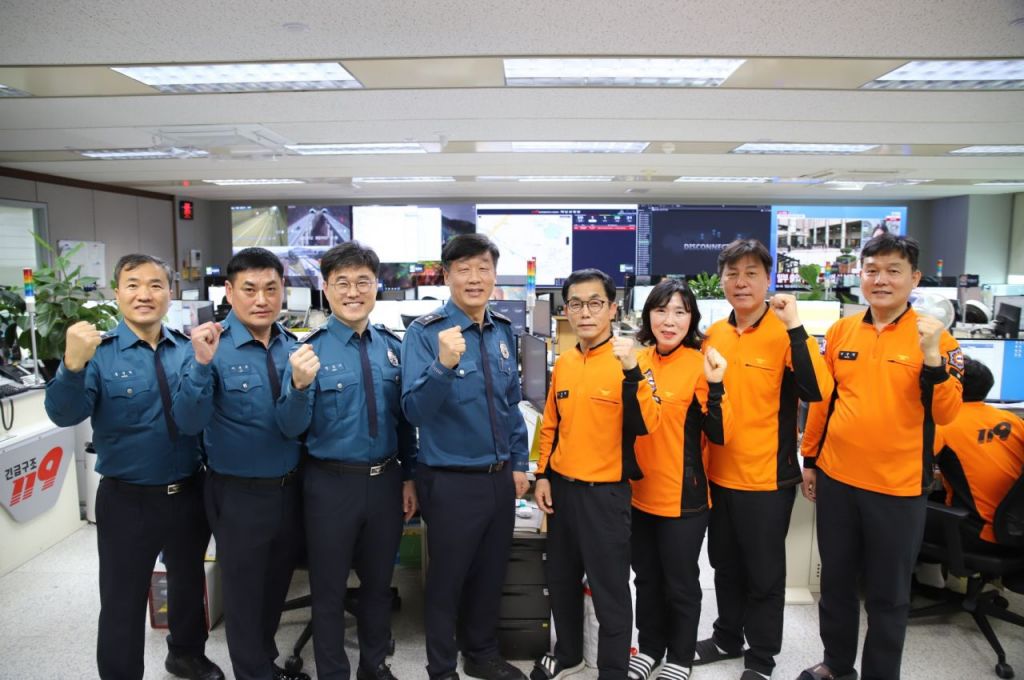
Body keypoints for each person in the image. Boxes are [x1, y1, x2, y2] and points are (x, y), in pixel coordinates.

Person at [44, 254, 224, 680]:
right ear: (117, 293)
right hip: (128, 499)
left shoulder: (189, 349)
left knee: (187, 583)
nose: (145, 294)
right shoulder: (98, 354)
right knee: (122, 598)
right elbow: (64, 414)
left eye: (155, 285)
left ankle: (186, 654)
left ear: (170, 293)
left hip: (188, 490)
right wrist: (72, 365)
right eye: (133, 284)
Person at [799, 234, 964, 680]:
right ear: (861, 276)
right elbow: (822, 402)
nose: (881, 279)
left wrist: (933, 359)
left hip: (897, 487)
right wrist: (810, 459)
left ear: (914, 278)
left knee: (887, 595)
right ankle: (836, 665)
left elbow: (948, 413)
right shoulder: (841, 331)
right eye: (872, 270)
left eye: (893, 271)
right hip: (837, 478)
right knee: (836, 583)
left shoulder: (937, 338)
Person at [277, 241, 418, 680]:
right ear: (326, 288)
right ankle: (333, 673)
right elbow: (289, 427)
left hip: (386, 482)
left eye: (362, 281)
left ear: (377, 286)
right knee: (329, 589)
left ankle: (374, 666)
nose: (353, 292)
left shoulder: (393, 347)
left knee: (378, 586)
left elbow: (403, 422)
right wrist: (299, 386)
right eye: (342, 282)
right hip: (330, 485)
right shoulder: (307, 352)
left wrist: (409, 477)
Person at [696, 239, 832, 680]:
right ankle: (726, 637)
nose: (741, 282)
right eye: (732, 274)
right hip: (719, 476)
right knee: (724, 566)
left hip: (766, 480)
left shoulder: (785, 334)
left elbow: (817, 391)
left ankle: (760, 658)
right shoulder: (713, 335)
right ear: (721, 281)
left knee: (764, 575)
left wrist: (795, 327)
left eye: (751, 273)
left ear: (768, 279)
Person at [401, 233, 531, 680]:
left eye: (483, 268)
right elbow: (414, 411)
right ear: (447, 275)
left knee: (490, 574)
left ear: (494, 274)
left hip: (499, 477)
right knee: (448, 580)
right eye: (463, 269)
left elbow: (511, 405)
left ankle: (481, 654)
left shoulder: (502, 329)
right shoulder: (424, 333)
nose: (474, 278)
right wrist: (443, 365)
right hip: (450, 478)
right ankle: (441, 668)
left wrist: (519, 463)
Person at [175, 247, 307, 680]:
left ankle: (264, 663)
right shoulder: (210, 346)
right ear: (229, 293)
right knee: (245, 595)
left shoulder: (293, 346)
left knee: (274, 587)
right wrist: (200, 365)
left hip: (289, 488)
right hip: (238, 493)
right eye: (249, 289)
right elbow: (188, 422)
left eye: (271, 288)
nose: (261, 299)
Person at [532, 268, 661, 680]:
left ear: (612, 308)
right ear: (566, 310)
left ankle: (612, 670)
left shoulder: (632, 361)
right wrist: (543, 474)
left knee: (610, 591)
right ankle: (568, 654)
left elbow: (650, 423)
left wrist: (632, 371)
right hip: (562, 493)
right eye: (576, 304)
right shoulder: (565, 362)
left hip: (605, 496)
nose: (585, 312)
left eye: (594, 303)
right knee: (562, 581)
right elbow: (550, 424)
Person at [627, 279, 731, 680]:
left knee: (681, 583)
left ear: (692, 319)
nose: (669, 321)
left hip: (683, 498)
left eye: (680, 312)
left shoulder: (701, 364)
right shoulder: (637, 360)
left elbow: (719, 433)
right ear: (648, 315)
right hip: (638, 493)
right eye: (661, 310)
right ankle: (650, 648)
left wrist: (717, 386)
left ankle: (681, 656)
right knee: (646, 579)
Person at [930, 355, 1023, 553]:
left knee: (905, 515)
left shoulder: (944, 425)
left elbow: (912, 471)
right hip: (1015, 529)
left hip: (981, 534)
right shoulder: (1013, 420)